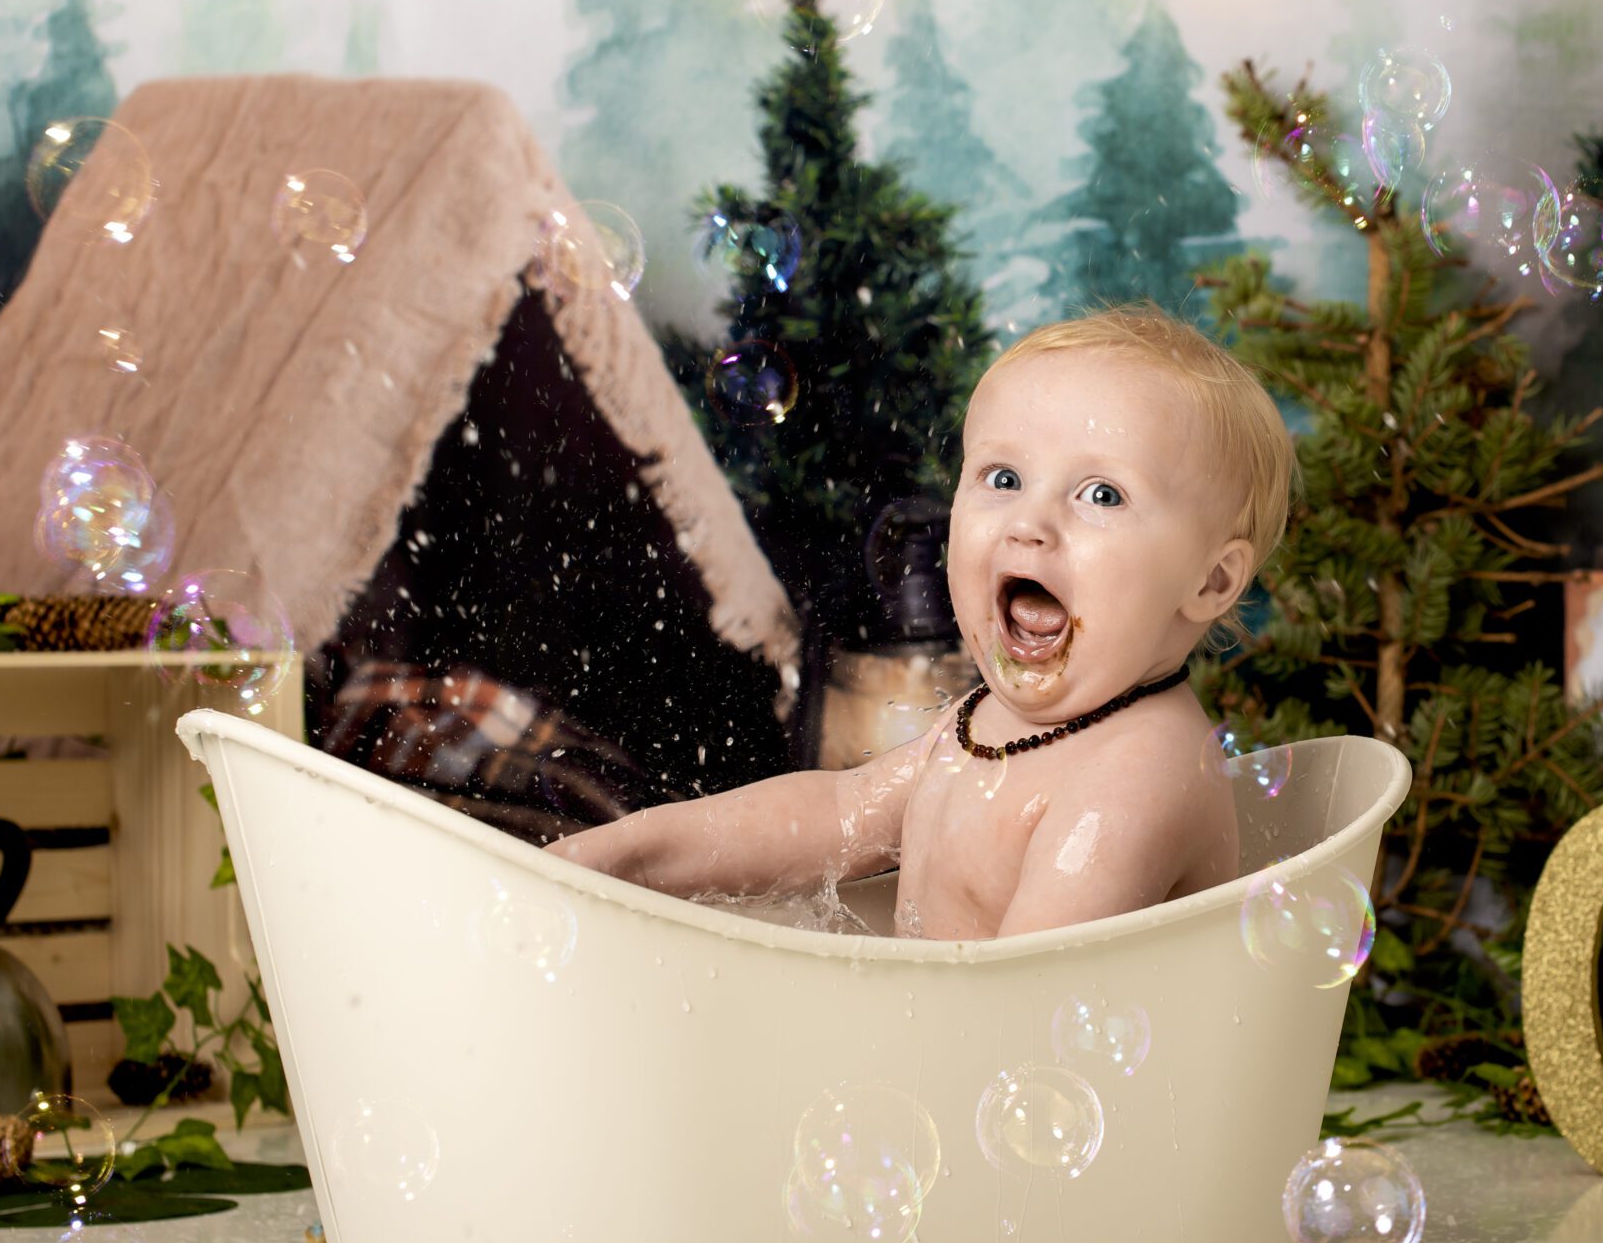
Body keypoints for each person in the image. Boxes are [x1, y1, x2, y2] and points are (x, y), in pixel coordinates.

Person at [549, 303, 1295, 940]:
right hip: (953, 1076)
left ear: (1212, 579)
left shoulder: (1135, 777)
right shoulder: (988, 721)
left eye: (1102, 495)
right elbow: (838, 817)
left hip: (1027, 1085)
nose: (1030, 523)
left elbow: (1024, 996)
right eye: (1003, 478)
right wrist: (633, 854)